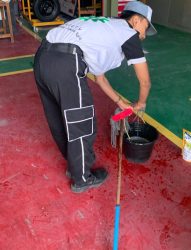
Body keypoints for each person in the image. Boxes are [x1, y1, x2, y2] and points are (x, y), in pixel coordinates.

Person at [33, 1, 155, 193]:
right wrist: (141, 103)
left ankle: (75, 167)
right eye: (145, 28)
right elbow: (145, 81)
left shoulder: (105, 27)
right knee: (82, 124)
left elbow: (100, 78)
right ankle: (82, 179)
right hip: (67, 63)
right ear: (135, 20)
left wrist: (119, 101)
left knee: (59, 119)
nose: (143, 36)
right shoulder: (127, 32)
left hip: (42, 57)